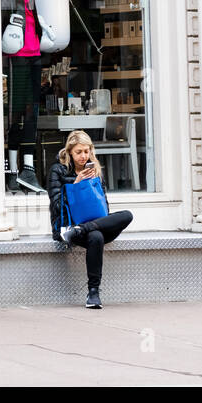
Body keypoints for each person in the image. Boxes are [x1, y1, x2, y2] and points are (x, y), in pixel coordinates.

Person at [47, 129, 134, 309]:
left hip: (89, 226)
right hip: (68, 227)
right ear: (70, 151)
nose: (83, 156)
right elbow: (56, 206)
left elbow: (104, 208)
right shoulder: (57, 170)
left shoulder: (95, 171)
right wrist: (76, 185)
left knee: (127, 215)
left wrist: (92, 183)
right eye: (79, 152)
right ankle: (93, 293)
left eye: (87, 151)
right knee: (96, 237)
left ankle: (82, 230)